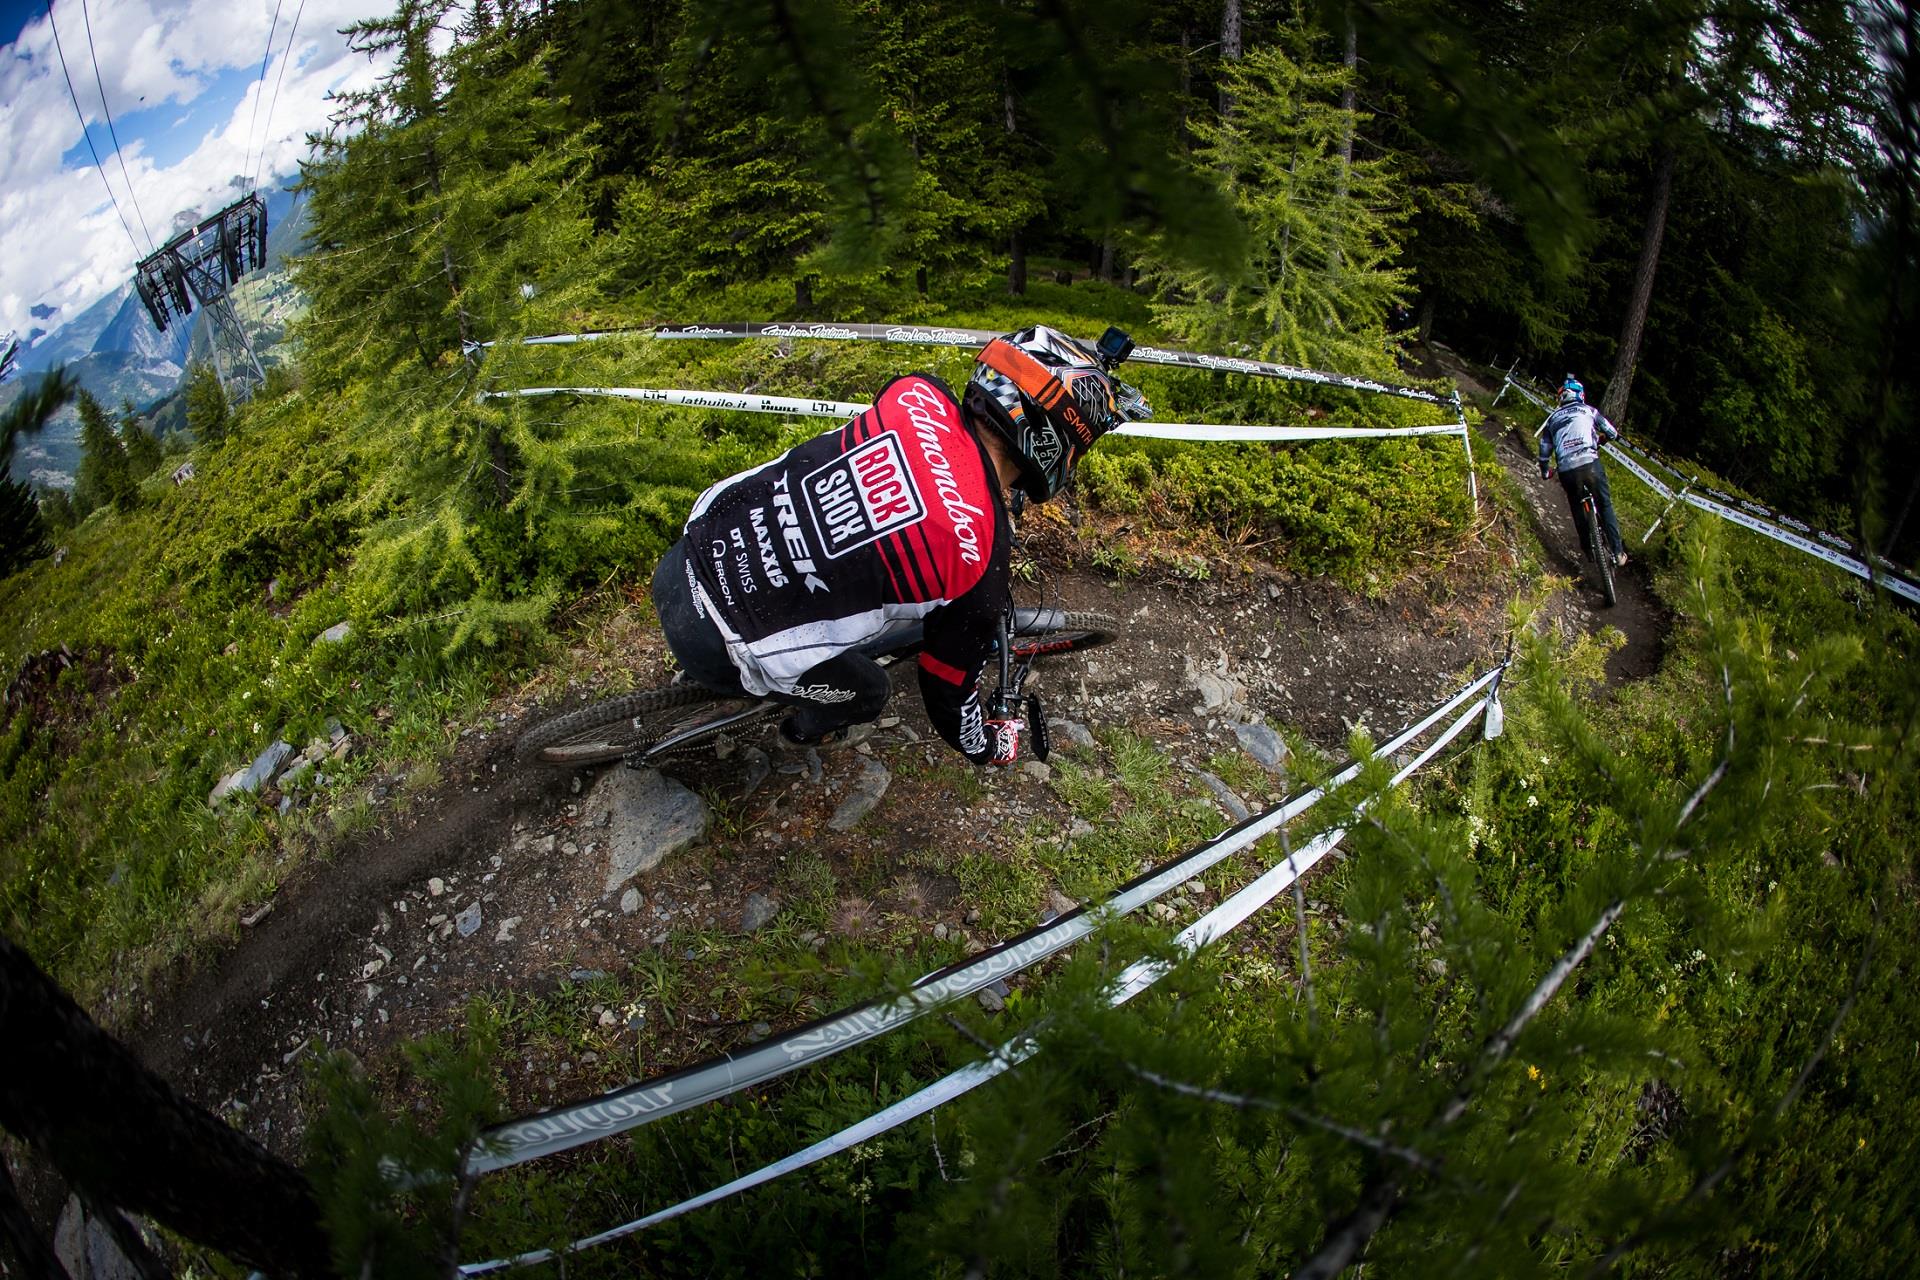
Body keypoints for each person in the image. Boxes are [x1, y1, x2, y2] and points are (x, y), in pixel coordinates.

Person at [651, 324, 1151, 766]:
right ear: (1052, 443)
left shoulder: (917, 393)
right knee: (871, 692)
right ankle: (801, 731)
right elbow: (946, 693)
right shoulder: (976, 561)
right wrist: (987, 745)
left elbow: (928, 464)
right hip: (718, 645)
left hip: (690, 550)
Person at [1538, 376, 1627, 567]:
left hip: (1567, 470)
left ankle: (1588, 549)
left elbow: (1544, 451)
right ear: (1581, 395)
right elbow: (1612, 433)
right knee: (1604, 505)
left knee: (1577, 507)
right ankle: (1618, 552)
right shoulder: (1589, 411)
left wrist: (1546, 472)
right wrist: (1601, 440)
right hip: (1590, 464)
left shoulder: (1553, 419)